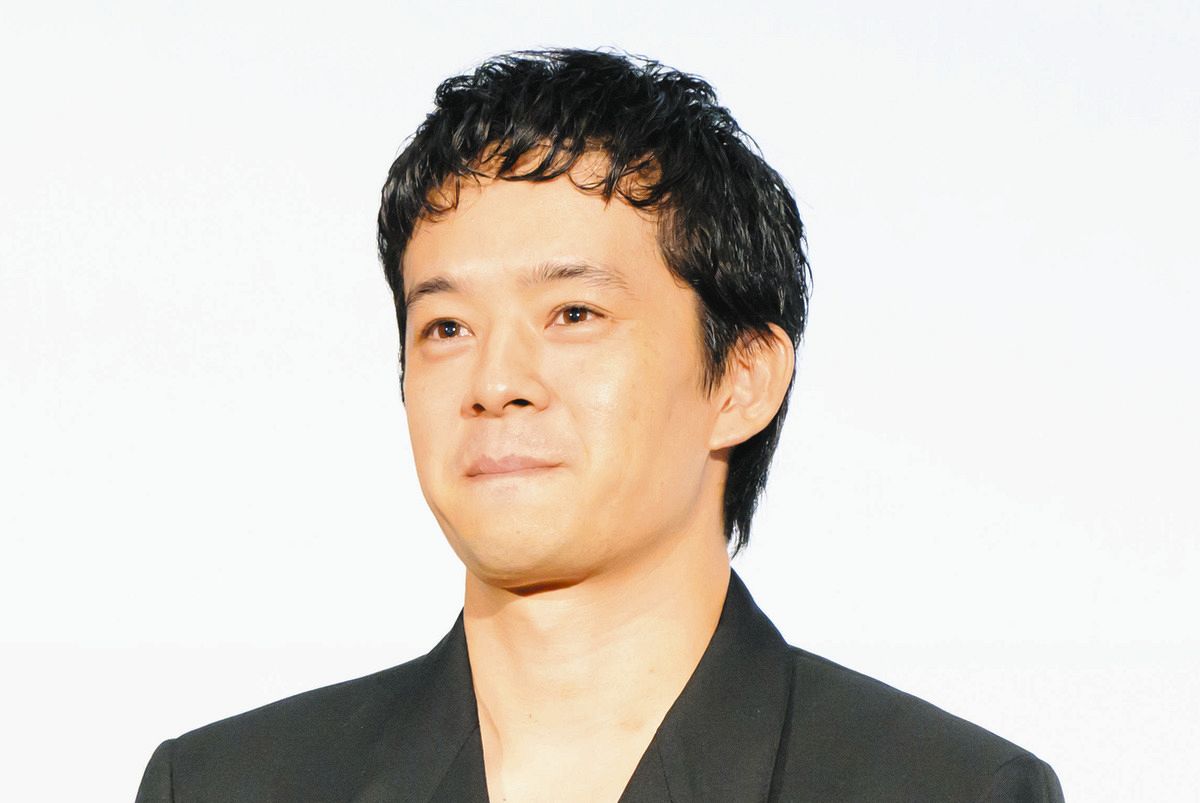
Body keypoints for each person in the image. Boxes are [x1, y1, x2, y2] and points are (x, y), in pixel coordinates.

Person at [135, 47, 1064, 802]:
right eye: (447, 327)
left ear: (742, 379)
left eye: (573, 314)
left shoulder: (947, 788)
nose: (497, 382)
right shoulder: (227, 785)